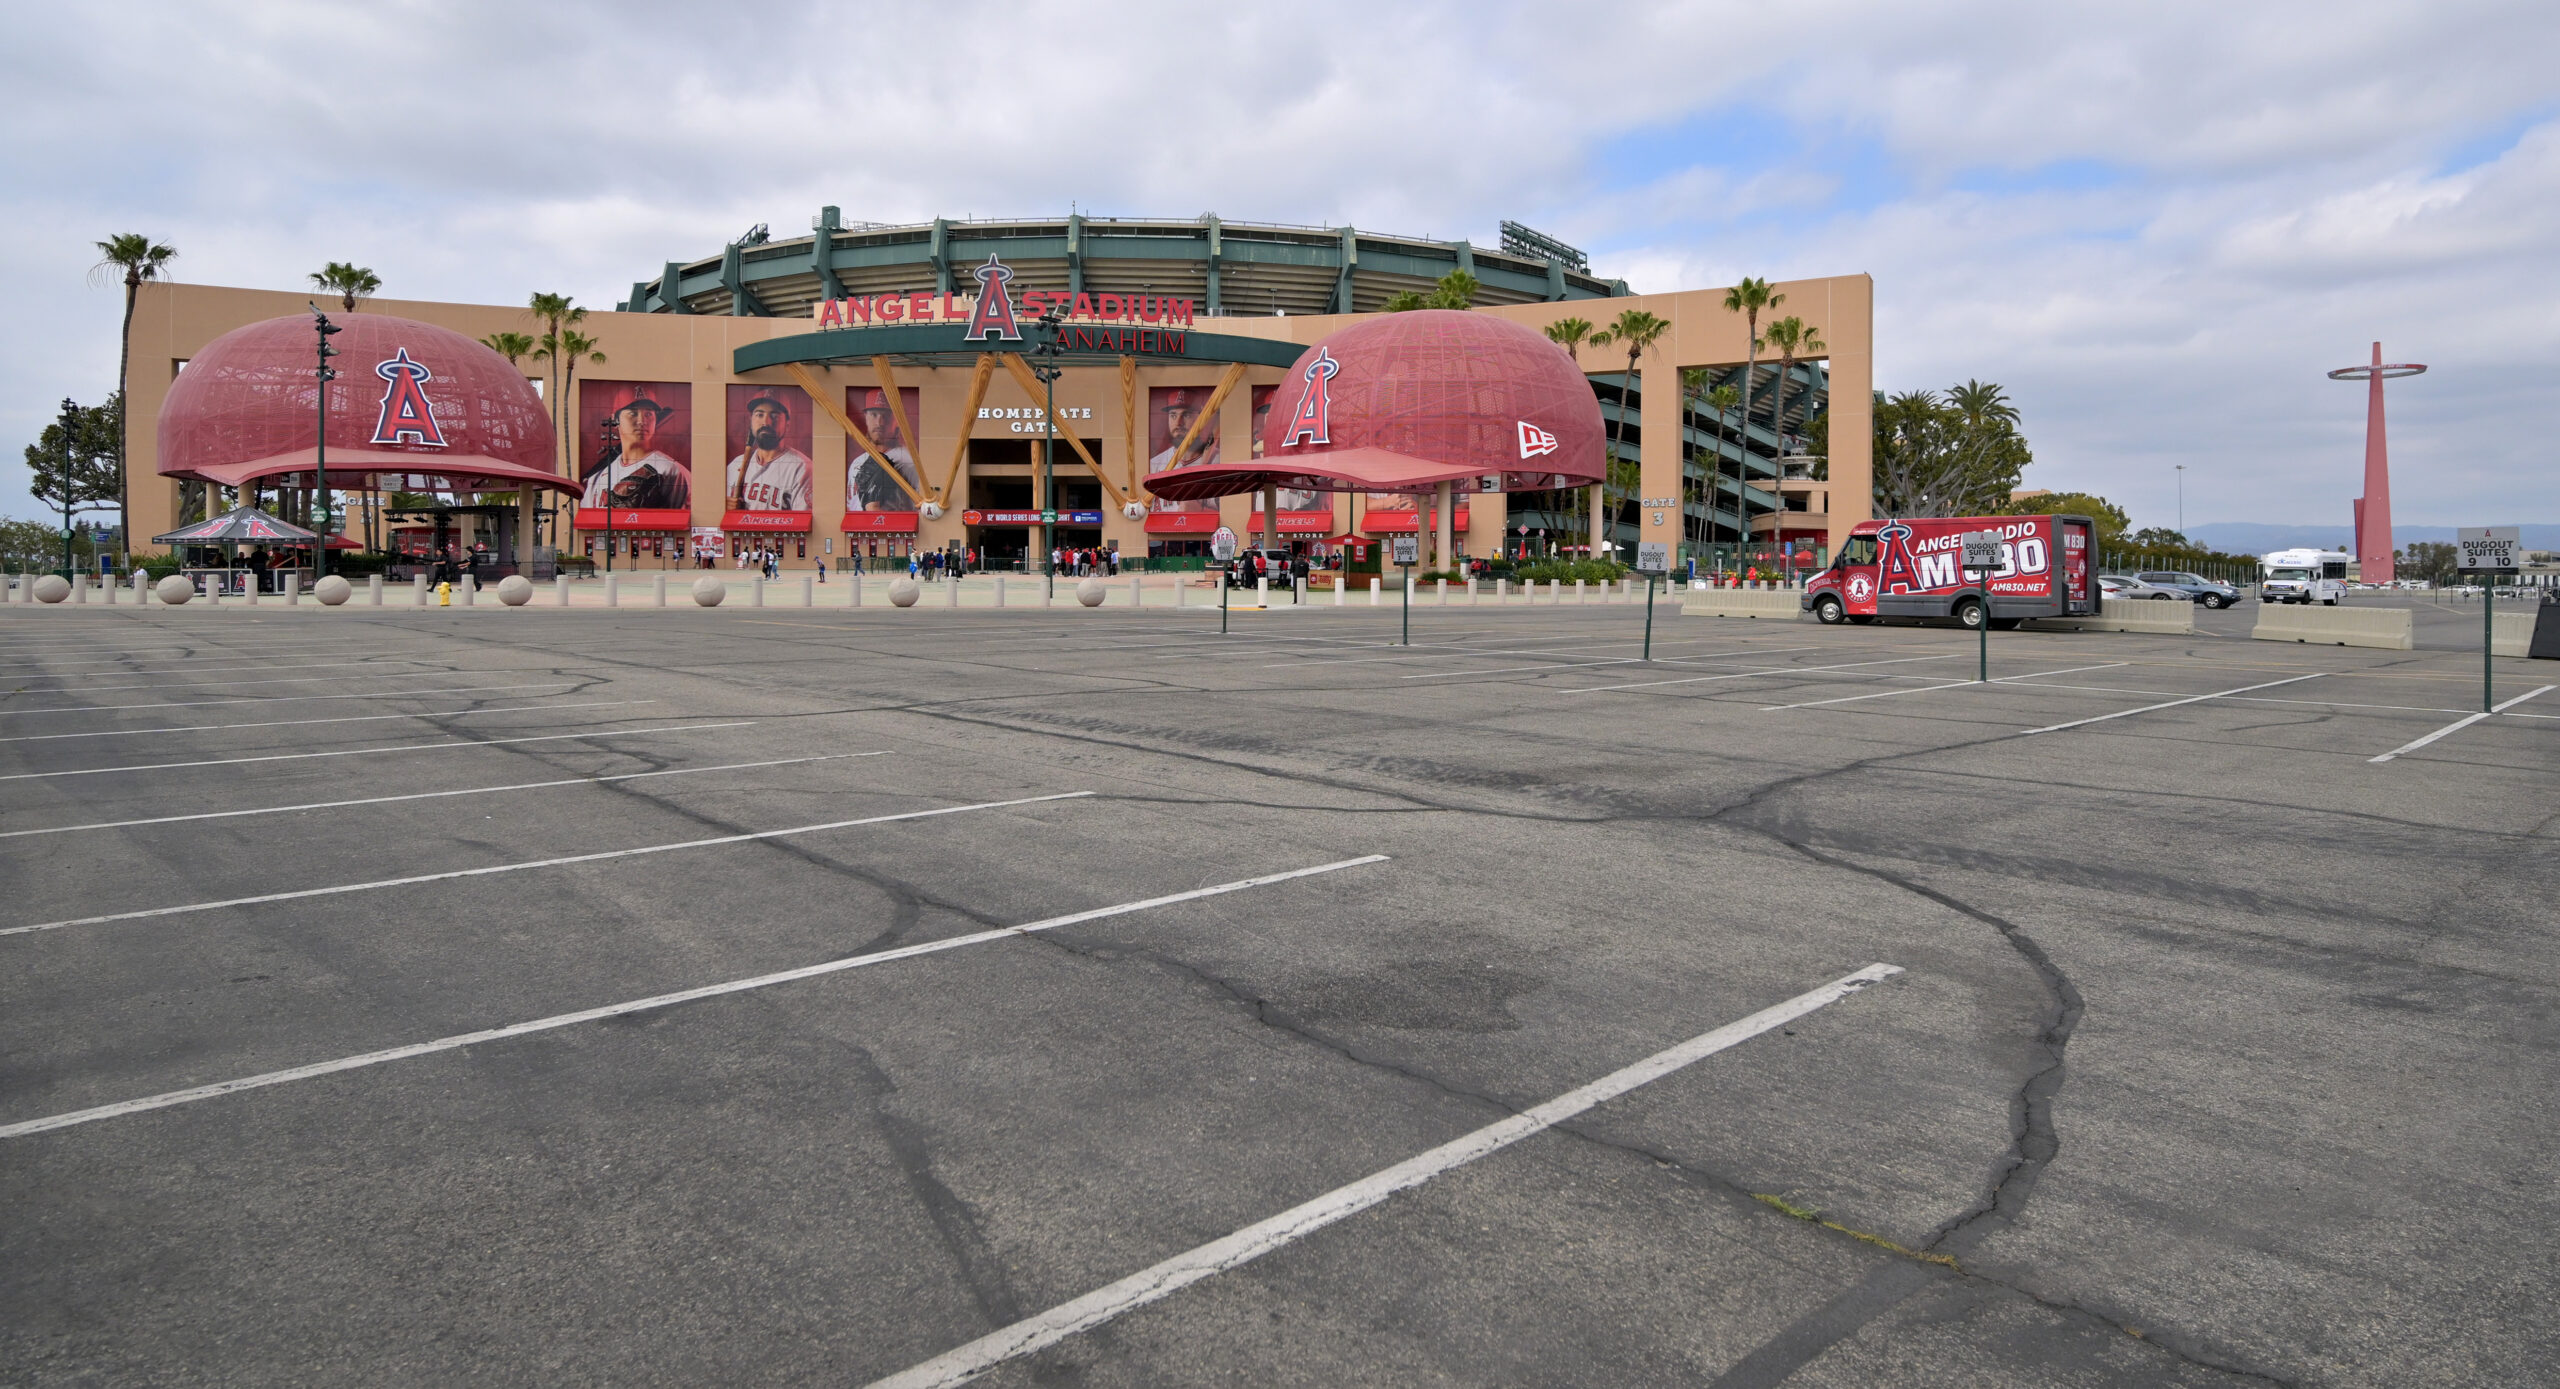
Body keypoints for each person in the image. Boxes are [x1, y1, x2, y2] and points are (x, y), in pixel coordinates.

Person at [581, 393, 688, 509]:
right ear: (615, 420)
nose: (642, 421)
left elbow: (683, 521)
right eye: (633, 413)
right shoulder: (597, 475)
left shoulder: (671, 470)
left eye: (648, 414)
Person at [727, 394, 811, 512]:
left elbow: (803, 523)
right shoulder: (735, 464)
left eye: (774, 415)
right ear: (751, 421)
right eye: (759, 415)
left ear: (787, 424)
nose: (766, 422)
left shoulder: (802, 468)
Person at [848, 389, 925, 509]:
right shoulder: (856, 463)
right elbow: (851, 505)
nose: (880, 422)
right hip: (859, 526)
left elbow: (920, 506)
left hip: (892, 525)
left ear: (894, 419)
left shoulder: (908, 460)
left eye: (886, 416)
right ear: (866, 417)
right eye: (874, 415)